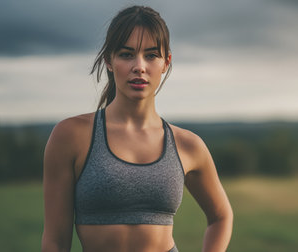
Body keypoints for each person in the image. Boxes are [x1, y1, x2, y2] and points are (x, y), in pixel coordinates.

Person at [41, 5, 233, 252]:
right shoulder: (71, 136)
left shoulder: (188, 145)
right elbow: (55, 240)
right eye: (127, 54)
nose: (139, 66)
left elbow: (221, 216)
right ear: (109, 60)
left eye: (151, 55)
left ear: (166, 62)